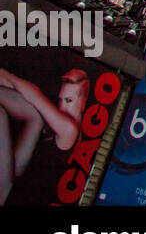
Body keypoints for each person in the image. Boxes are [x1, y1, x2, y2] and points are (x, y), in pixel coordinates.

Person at [0, 68, 87, 206]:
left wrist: (7, 77)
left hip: (13, 200)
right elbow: (32, 96)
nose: (63, 107)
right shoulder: (69, 127)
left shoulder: (70, 130)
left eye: (69, 100)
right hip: (18, 181)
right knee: (37, 117)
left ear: (83, 102)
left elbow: (34, 95)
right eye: (60, 100)